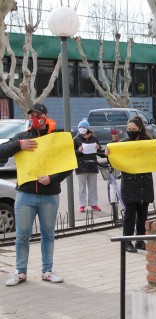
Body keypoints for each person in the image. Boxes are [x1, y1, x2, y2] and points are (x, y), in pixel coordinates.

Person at [0, 103, 71, 286]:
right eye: (31, 116)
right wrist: (19, 145)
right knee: (22, 235)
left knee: (48, 234)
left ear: (45, 116)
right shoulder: (22, 137)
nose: (34, 119)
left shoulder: (56, 137)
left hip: (49, 195)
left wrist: (52, 179)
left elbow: (68, 165)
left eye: (37, 115)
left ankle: (47, 270)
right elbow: (1, 150)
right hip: (25, 194)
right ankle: (20, 271)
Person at [105, 116, 156, 253]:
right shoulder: (124, 143)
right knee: (130, 213)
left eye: (133, 129)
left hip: (144, 182)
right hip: (130, 183)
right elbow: (114, 161)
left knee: (143, 213)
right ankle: (127, 241)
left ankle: (140, 240)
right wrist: (108, 155)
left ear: (140, 129)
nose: (131, 131)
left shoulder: (148, 142)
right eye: (129, 129)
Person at [73, 118, 101, 213]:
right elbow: (72, 153)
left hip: (92, 165)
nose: (81, 129)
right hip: (81, 166)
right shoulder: (76, 139)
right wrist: (78, 151)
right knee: (82, 187)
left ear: (88, 128)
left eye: (83, 127)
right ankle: (82, 204)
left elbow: (100, 152)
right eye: (80, 127)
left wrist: (98, 148)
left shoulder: (94, 138)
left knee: (93, 186)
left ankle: (93, 204)